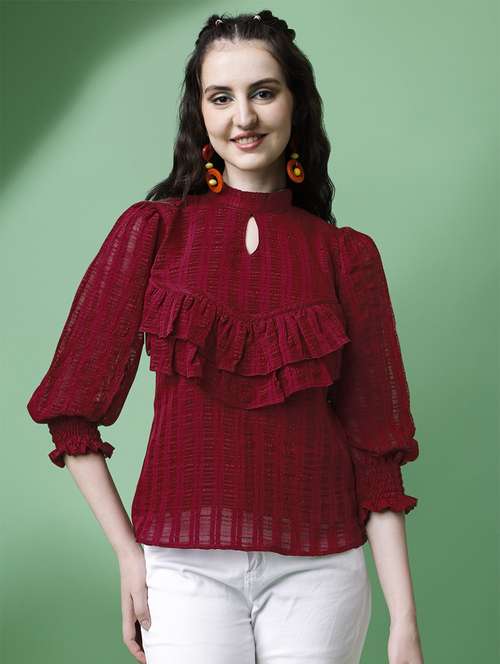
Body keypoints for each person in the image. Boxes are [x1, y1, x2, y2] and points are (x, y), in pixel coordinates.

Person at [26, 9, 424, 664]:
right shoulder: (153, 232)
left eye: (263, 92)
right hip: (182, 571)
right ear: (200, 112)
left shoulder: (346, 256)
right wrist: (129, 554)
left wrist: (404, 622)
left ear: (296, 103)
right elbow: (71, 412)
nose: (244, 117)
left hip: (322, 574)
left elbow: (378, 456)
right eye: (221, 97)